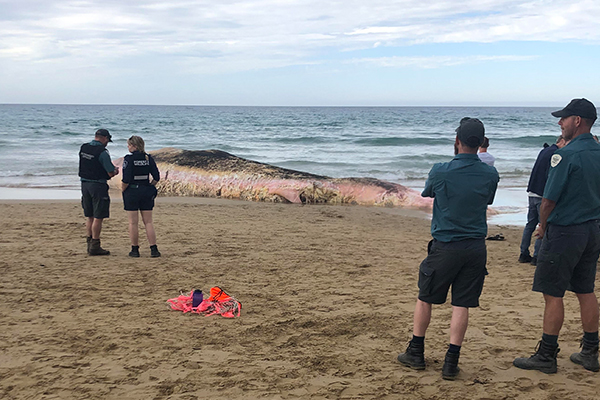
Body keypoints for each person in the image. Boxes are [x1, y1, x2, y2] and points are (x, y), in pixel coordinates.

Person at [397, 118, 499, 380]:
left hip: (446, 244)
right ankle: (451, 361)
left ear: (457, 142)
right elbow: (487, 198)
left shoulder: (441, 170)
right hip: (475, 246)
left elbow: (428, 193)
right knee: (462, 304)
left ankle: (416, 351)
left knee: (425, 296)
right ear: (481, 143)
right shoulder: (490, 173)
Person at [514, 98, 600, 374]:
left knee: (553, 293)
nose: (560, 122)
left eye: (564, 118)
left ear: (577, 121)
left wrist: (543, 227)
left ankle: (547, 354)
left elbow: (547, 200)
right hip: (592, 229)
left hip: (565, 230)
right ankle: (590, 351)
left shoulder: (566, 155)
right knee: (585, 290)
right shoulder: (598, 152)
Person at [518, 135, 567, 265]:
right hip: (541, 193)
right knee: (542, 224)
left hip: (532, 192)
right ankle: (536, 256)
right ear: (561, 141)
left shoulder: (544, 151)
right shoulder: (556, 154)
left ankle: (523, 253)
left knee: (530, 224)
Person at [79, 128, 119, 256]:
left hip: (84, 184)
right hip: (98, 185)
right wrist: (116, 171)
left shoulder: (84, 148)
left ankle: (89, 242)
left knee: (89, 216)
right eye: (107, 140)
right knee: (98, 216)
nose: (107, 143)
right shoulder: (103, 152)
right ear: (105, 138)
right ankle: (95, 244)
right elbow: (110, 172)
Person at [121, 135, 161, 258]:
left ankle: (135, 249)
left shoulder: (129, 159)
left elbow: (126, 178)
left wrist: (122, 190)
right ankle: (153, 249)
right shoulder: (148, 158)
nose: (128, 147)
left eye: (129, 145)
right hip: (146, 190)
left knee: (133, 222)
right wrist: (150, 185)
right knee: (148, 222)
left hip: (132, 191)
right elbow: (156, 177)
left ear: (134, 146)